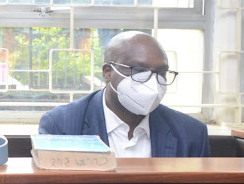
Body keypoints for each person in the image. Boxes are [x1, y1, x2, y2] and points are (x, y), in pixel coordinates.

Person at [38, 31, 209, 157]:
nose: (153, 82)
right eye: (139, 70)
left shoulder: (191, 134)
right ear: (108, 73)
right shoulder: (61, 126)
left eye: (161, 73)